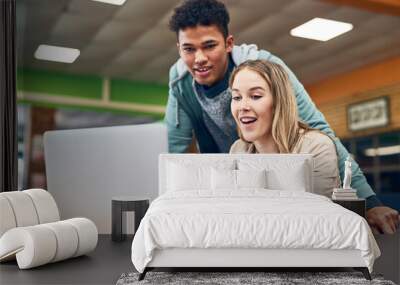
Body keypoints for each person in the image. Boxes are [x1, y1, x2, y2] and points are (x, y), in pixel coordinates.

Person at [164, 0, 399, 233]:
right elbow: (175, 150)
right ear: (179, 49)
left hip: (282, 164)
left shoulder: (266, 69)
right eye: (189, 49)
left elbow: (320, 131)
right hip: (234, 166)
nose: (199, 58)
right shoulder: (180, 82)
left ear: (228, 44)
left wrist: (369, 202)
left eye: (209, 46)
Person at [229, 60, 340, 197]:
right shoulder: (238, 149)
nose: (242, 106)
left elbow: (319, 212)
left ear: (279, 102)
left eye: (255, 96)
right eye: (237, 97)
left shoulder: (316, 147)